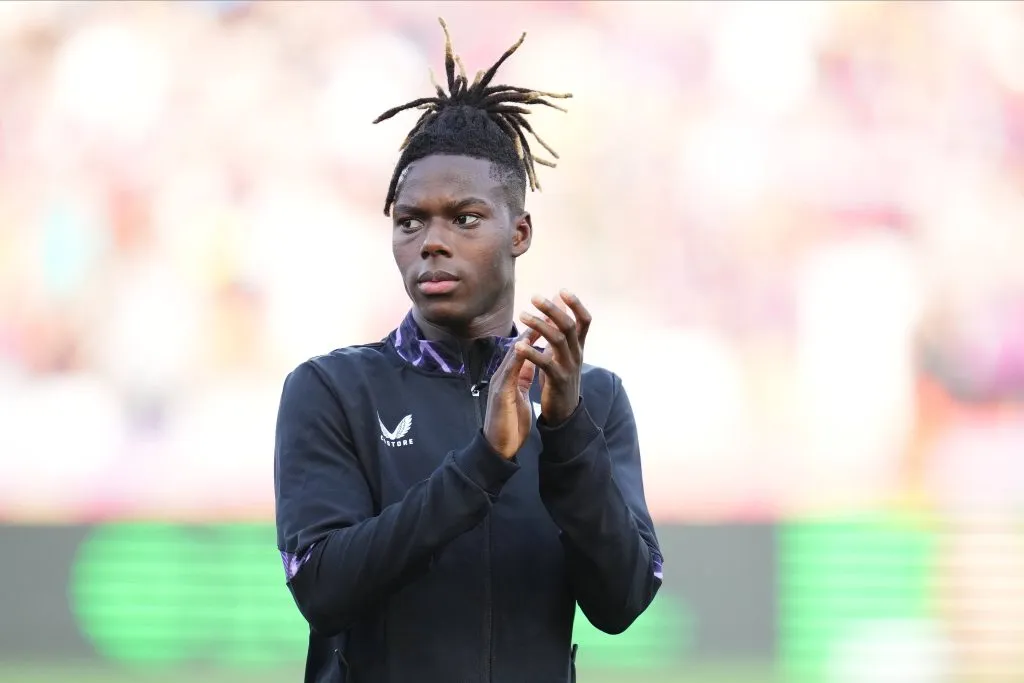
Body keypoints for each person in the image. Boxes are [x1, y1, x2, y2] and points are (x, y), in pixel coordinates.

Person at [274, 18, 663, 683]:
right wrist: (483, 464)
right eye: (410, 219)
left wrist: (567, 435)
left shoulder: (590, 398)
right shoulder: (330, 389)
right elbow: (323, 588)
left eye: (463, 217)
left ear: (520, 232)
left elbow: (623, 598)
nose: (432, 239)